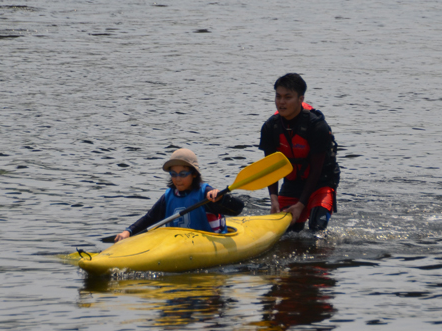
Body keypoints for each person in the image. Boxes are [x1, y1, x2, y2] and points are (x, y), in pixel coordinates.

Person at [258, 73, 340, 232]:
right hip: (293, 183)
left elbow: (316, 170)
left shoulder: (316, 126)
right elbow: (271, 168)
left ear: (300, 99)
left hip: (321, 182)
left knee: (317, 228)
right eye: (278, 96)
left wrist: (301, 205)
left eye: (287, 97)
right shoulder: (270, 127)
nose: (281, 102)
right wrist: (274, 199)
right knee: (284, 232)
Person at [114, 148, 244, 242]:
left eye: (182, 174)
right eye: (173, 174)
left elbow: (238, 208)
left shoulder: (206, 193)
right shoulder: (168, 196)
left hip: (207, 243)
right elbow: (150, 218)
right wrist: (128, 232)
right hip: (177, 244)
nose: (177, 179)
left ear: (194, 174)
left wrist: (221, 198)